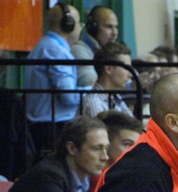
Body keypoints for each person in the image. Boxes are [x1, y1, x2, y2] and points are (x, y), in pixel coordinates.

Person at [25, 2, 83, 159]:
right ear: (68, 25)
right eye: (79, 23)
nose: (80, 28)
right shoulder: (54, 50)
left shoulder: (47, 45)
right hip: (52, 128)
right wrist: (89, 93)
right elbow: (68, 97)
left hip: (47, 125)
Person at [72, 5, 120, 88]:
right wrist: (129, 87)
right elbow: (93, 85)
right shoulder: (78, 50)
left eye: (116, 27)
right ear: (93, 28)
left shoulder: (108, 51)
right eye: (109, 26)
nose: (115, 33)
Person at [81, 41, 134, 117]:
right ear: (109, 69)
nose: (131, 75)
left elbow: (132, 125)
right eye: (126, 68)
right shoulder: (94, 102)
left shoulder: (116, 98)